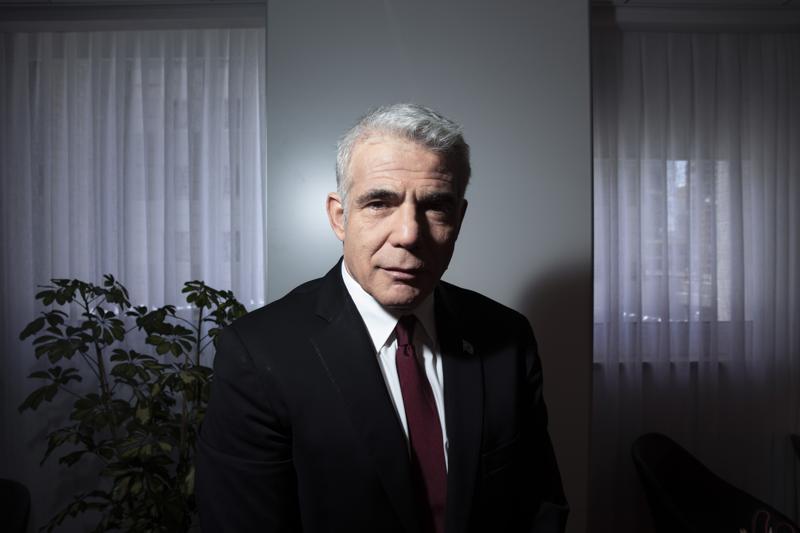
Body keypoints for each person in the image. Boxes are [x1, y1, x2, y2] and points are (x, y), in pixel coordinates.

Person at [196, 103, 568, 533]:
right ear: (340, 216)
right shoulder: (258, 352)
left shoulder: (506, 336)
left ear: (459, 219)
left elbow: (539, 505)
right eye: (379, 203)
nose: (409, 234)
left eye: (435, 207)